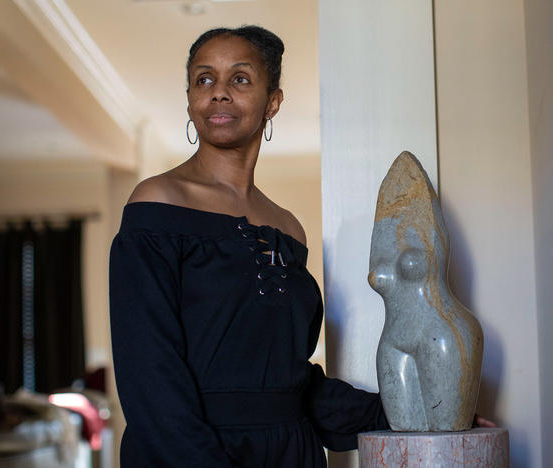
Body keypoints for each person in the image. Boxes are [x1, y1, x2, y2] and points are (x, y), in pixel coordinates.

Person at [109, 25, 403, 467]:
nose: (219, 93)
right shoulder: (157, 204)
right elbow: (150, 376)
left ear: (273, 102)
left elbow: (291, 383)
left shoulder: (287, 229)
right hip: (193, 454)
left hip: (292, 455)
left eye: (240, 79)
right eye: (204, 79)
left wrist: (409, 414)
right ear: (190, 98)